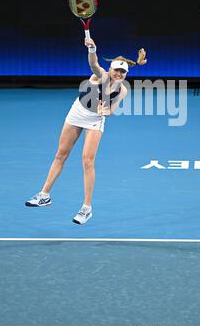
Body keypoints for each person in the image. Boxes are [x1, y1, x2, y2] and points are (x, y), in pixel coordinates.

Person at [25, 37, 147, 224]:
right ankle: (44, 195)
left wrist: (104, 110)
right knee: (60, 154)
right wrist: (92, 49)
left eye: (123, 72)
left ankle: (86, 208)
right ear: (110, 69)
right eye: (117, 70)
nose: (119, 74)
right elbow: (94, 64)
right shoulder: (101, 75)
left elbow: (111, 110)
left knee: (87, 161)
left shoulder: (122, 90)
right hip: (77, 112)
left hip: (95, 120)